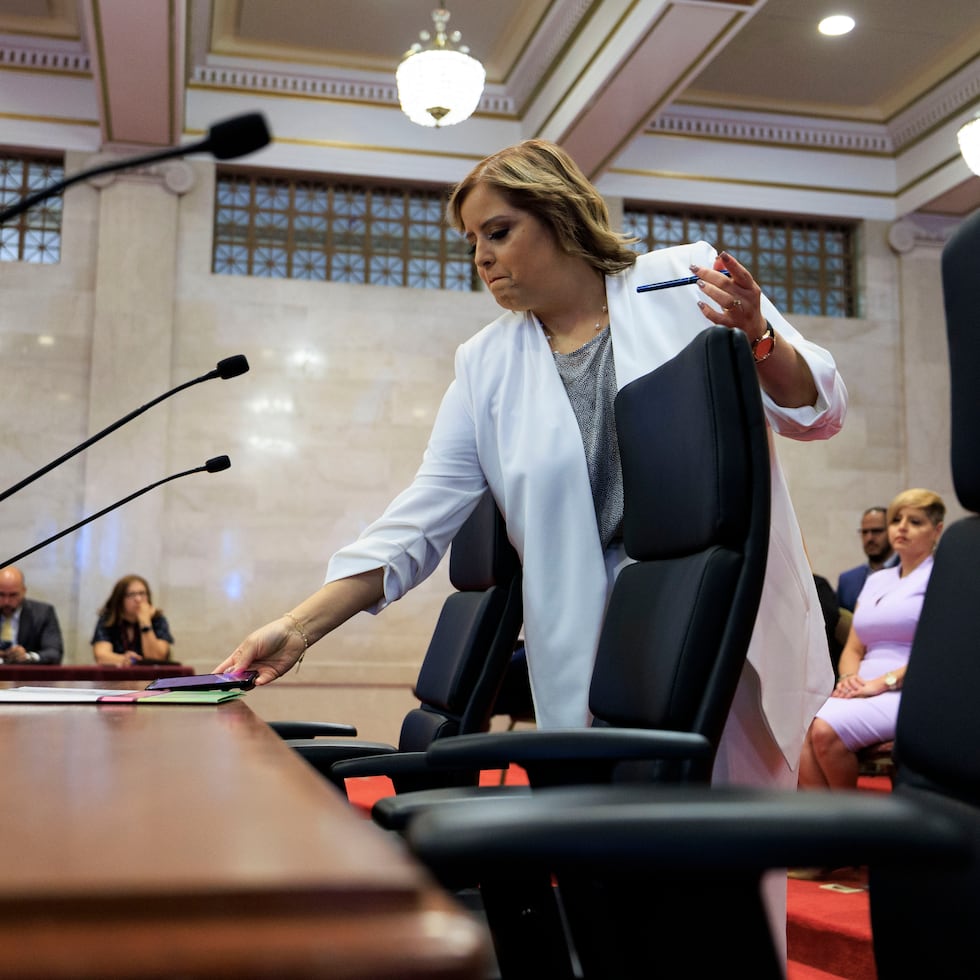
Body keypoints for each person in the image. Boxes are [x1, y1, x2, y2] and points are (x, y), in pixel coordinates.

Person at [217, 139, 846, 953]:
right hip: (593, 643)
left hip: (712, 618)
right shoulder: (485, 363)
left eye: (499, 231)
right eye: (471, 242)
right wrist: (296, 628)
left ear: (558, 214)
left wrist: (758, 335)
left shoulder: (681, 277)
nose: (482, 257)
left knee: (724, 874)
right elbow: (419, 518)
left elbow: (815, 407)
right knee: (617, 888)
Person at [799, 488, 945, 791]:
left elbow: (939, 651)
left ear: (937, 531)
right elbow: (854, 645)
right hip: (862, 687)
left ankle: (850, 826)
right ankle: (822, 825)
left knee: (825, 732)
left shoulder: (943, 577)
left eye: (915, 522)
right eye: (897, 520)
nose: (901, 527)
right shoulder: (877, 580)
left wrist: (883, 683)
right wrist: (850, 677)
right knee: (799, 729)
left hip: (909, 690)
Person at [91, 575, 174, 667]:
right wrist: (124, 659)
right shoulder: (108, 619)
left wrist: (145, 622)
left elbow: (156, 659)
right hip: (116, 678)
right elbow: (101, 656)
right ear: (119, 599)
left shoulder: (158, 619)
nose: (138, 599)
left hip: (151, 678)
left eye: (142, 593)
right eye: (131, 594)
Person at [836, 506, 898, 612]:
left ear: (892, 531)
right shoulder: (847, 580)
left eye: (876, 531)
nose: (869, 538)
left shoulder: (908, 572)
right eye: (864, 532)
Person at [0, 565, 64, 664]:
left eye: (13, 595)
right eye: (1, 594)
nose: (6, 601)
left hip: (26, 676)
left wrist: (27, 656)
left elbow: (54, 653)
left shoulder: (43, 613)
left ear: (24, 591)